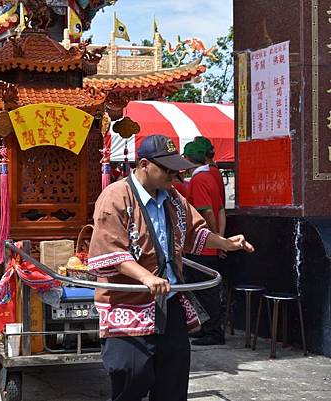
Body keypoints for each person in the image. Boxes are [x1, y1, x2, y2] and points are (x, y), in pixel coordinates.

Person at [88, 135, 254, 401]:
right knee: (132, 372)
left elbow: (195, 232)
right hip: (127, 301)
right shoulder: (115, 197)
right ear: (144, 165)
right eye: (167, 169)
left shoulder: (173, 197)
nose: (174, 174)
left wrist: (226, 243)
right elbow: (110, 250)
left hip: (170, 300)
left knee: (173, 377)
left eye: (176, 168)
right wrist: (145, 277)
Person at [182, 142, 226, 346]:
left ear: (189, 159)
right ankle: (209, 328)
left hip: (202, 245)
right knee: (207, 290)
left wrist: (214, 238)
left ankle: (213, 331)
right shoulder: (212, 175)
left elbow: (207, 211)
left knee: (205, 290)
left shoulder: (199, 179)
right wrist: (220, 239)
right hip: (210, 244)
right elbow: (221, 211)